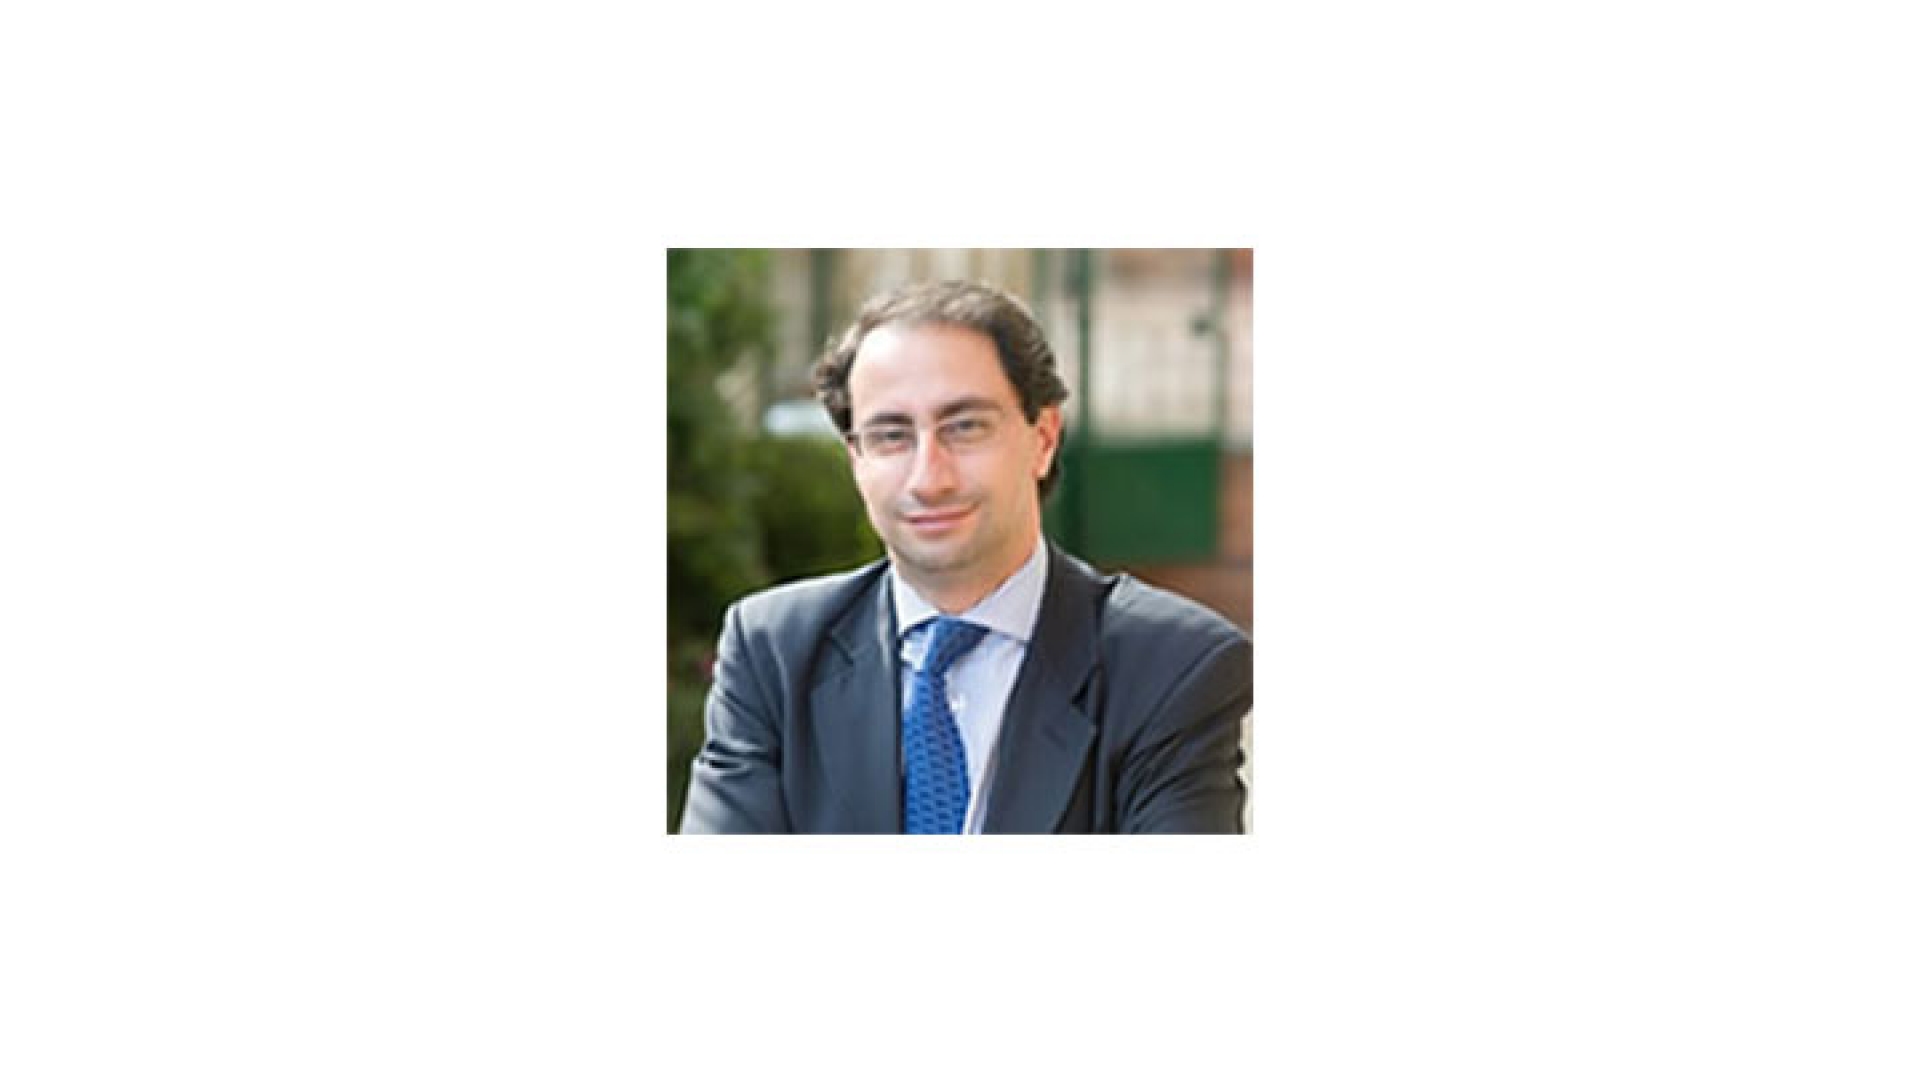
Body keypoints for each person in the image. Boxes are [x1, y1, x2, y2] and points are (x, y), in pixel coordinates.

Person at [678, 280, 1251, 833]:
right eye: (891, 435)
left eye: (965, 427)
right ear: (856, 461)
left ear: (1043, 439)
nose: (929, 479)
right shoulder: (773, 654)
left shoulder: (1172, 669)